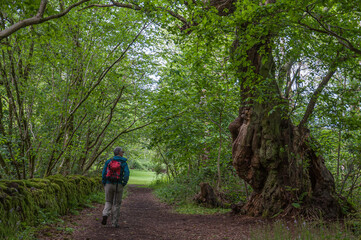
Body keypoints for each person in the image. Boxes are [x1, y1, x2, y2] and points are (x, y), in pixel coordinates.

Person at [101, 147, 130, 228]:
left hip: (108, 184)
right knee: (116, 204)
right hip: (118, 184)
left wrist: (104, 182)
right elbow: (127, 173)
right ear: (119, 153)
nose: (123, 153)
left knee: (108, 201)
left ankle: (105, 214)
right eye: (122, 152)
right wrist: (124, 182)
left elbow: (103, 173)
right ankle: (114, 223)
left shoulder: (109, 161)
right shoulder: (123, 162)